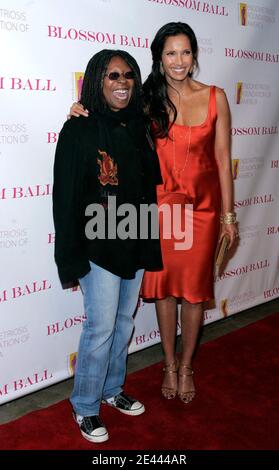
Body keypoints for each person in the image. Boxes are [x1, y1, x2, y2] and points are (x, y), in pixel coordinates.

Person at [69, 22, 238, 405]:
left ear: (194, 56)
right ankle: (167, 363)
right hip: (161, 210)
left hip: (203, 210)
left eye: (186, 52)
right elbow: (109, 111)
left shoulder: (216, 97)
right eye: (171, 53)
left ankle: (187, 365)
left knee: (194, 295)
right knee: (163, 292)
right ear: (159, 59)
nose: (179, 61)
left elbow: (224, 158)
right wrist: (79, 109)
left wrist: (229, 216)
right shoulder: (147, 100)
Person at [53, 49, 162, 443]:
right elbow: (65, 199)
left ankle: (112, 389)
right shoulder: (78, 129)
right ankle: (84, 405)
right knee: (99, 328)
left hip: (134, 239)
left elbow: (147, 190)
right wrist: (69, 259)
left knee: (124, 322)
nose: (122, 82)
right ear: (98, 80)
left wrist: (149, 241)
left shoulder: (140, 125)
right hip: (98, 246)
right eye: (113, 75)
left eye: (129, 75)